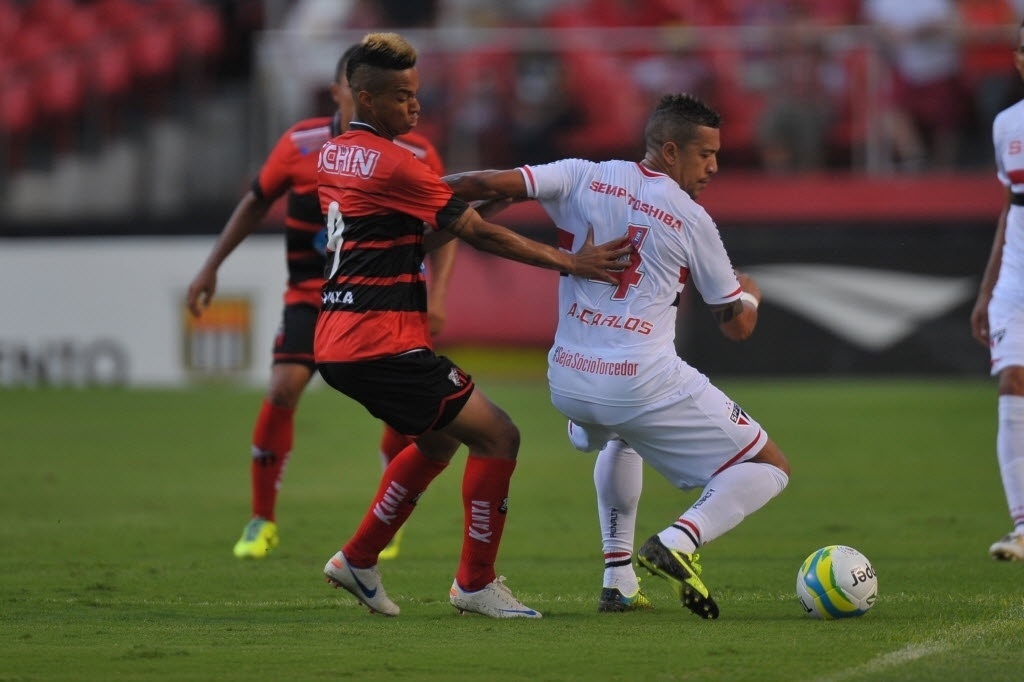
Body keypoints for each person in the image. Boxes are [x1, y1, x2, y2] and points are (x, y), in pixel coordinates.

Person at [315, 32, 630, 618]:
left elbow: (408, 239)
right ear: (366, 97)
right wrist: (571, 262)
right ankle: (475, 583)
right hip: (379, 342)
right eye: (402, 95)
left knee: (437, 441)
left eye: (417, 93)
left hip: (340, 336)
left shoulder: (335, 155)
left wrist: (480, 206)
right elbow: (476, 236)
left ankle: (358, 558)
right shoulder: (397, 164)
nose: (415, 105)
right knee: (499, 436)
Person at [443, 93, 791, 618]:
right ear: (670, 152)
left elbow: (483, 184)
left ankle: (618, 579)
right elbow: (737, 326)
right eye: (705, 154)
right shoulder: (692, 218)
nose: (714, 167)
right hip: (638, 381)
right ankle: (679, 540)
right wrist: (751, 294)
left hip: (568, 379)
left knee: (623, 435)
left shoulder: (581, 174)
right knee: (769, 466)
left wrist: (405, 194)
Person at [186, 43, 457, 561]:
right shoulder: (301, 144)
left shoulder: (416, 153)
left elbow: (447, 227)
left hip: (386, 299)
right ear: (341, 92)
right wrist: (211, 265)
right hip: (313, 293)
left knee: (402, 410)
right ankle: (262, 520)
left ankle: (387, 517)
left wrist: (438, 296)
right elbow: (256, 201)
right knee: (284, 385)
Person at [970, 17, 1024, 562]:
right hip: (1016, 283)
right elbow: (1010, 209)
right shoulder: (1007, 125)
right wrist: (988, 290)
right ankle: (1023, 526)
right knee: (1012, 380)